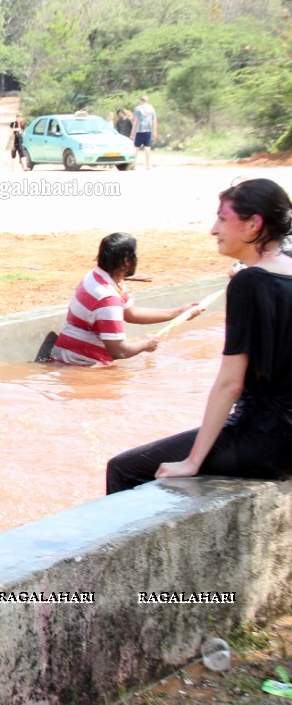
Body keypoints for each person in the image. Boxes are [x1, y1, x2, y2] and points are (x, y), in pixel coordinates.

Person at [106, 179, 292, 493]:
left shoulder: (249, 284)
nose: (213, 229)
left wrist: (193, 461)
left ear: (253, 225)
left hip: (265, 440)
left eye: (222, 218)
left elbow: (229, 383)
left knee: (123, 469)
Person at [50, 233, 204, 366]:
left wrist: (179, 312)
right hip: (80, 364)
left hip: (72, 357)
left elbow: (131, 313)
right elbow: (119, 352)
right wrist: (145, 344)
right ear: (126, 261)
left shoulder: (100, 277)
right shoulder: (107, 298)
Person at [131, 95, 158, 168]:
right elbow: (154, 121)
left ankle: (133, 164)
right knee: (147, 147)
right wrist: (154, 131)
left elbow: (136, 120)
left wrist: (133, 131)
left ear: (141, 101)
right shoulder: (151, 109)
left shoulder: (138, 109)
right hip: (148, 130)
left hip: (139, 130)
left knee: (136, 147)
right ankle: (148, 164)